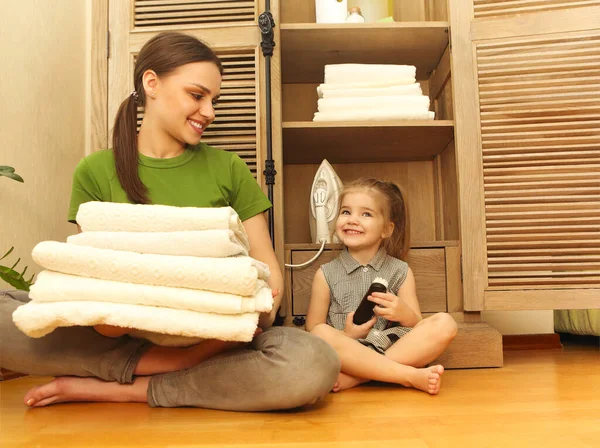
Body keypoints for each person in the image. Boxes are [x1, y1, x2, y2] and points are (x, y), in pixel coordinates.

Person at [0, 31, 340, 410]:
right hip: (123, 341)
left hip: (217, 341)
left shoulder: (227, 168)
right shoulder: (96, 171)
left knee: (312, 362)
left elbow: (268, 279)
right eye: (197, 95)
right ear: (151, 83)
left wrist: (233, 322)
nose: (209, 112)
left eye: (214, 100)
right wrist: (125, 312)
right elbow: (100, 308)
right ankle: (165, 371)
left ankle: (129, 386)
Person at [305, 178, 457, 394]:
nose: (352, 220)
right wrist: (348, 336)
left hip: (392, 348)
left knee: (445, 323)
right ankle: (407, 376)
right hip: (348, 353)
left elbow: (417, 325)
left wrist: (405, 313)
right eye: (346, 212)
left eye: (365, 214)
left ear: (386, 229)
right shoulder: (326, 274)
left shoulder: (400, 271)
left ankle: (358, 378)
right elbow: (313, 330)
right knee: (321, 332)